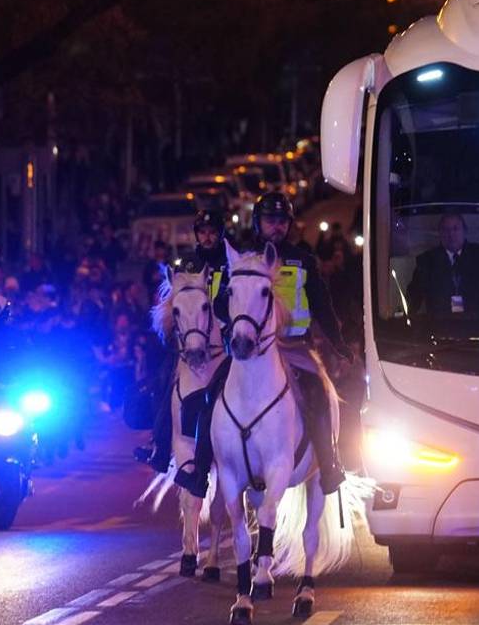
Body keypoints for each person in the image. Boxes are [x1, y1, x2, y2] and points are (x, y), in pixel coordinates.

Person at [175, 192, 352, 497]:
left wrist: (340, 346)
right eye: (270, 220)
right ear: (258, 223)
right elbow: (219, 305)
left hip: (295, 348)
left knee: (319, 395)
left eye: (282, 221)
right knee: (211, 397)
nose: (277, 227)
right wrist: (235, 325)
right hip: (250, 352)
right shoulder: (243, 260)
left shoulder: (304, 260)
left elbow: (322, 307)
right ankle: (200, 473)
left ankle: (329, 465)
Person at [133, 210, 228, 473]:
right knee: (165, 382)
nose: (207, 237)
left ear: (220, 234)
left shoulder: (231, 262)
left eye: (212, 232)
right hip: (192, 343)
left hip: (228, 341)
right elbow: (170, 306)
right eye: (203, 232)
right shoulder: (187, 263)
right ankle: (160, 446)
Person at [406, 212, 479, 315]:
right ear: (440, 233)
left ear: (464, 231)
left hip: (477, 322)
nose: (451, 234)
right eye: (446, 229)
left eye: (455, 229)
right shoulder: (427, 261)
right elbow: (413, 296)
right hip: (439, 325)